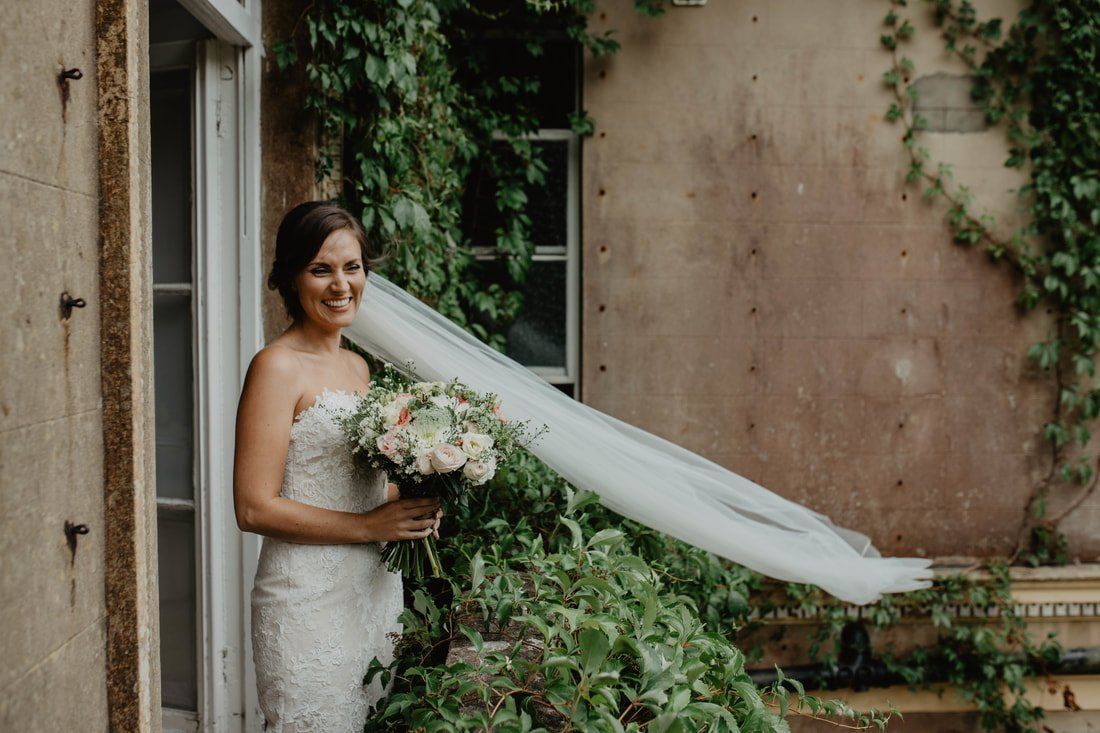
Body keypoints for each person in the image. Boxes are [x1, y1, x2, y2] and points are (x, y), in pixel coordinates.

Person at [233, 201, 441, 731]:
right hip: (305, 602)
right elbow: (253, 507)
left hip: (371, 592)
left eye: (351, 267)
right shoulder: (276, 367)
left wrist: (418, 499)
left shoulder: (358, 366)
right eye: (320, 269)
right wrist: (370, 526)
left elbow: (360, 485)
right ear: (291, 278)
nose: (340, 284)